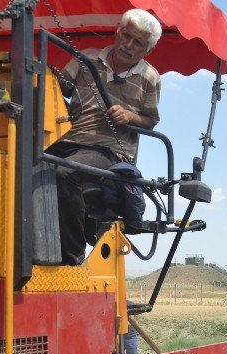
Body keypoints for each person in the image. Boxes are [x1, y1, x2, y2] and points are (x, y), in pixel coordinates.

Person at [49, 9, 163, 265]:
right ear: (118, 30)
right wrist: (45, 74)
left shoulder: (149, 78)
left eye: (138, 43)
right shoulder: (86, 58)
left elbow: (151, 121)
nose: (128, 45)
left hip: (110, 152)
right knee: (22, 166)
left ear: (147, 50)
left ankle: (71, 258)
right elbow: (58, 87)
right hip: (65, 140)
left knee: (66, 173)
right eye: (127, 36)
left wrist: (129, 117)